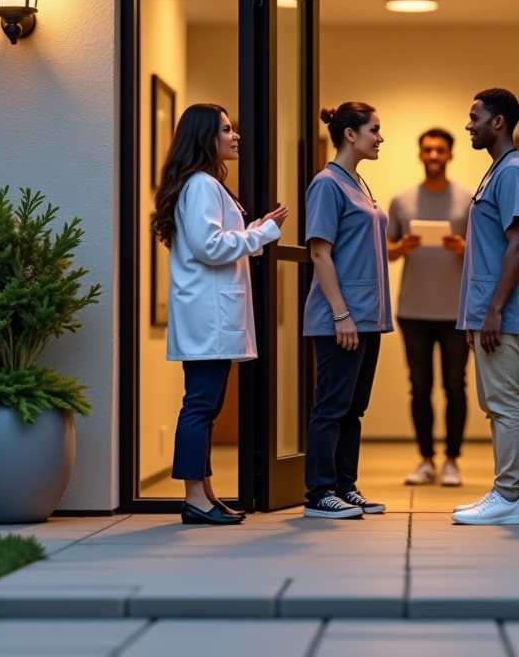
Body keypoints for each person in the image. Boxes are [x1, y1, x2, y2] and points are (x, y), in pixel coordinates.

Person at [152, 103, 288, 526]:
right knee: (200, 406)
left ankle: (205, 493)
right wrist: (262, 231)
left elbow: (210, 240)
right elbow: (210, 246)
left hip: (207, 313)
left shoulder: (201, 185)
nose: (235, 136)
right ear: (204, 137)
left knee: (204, 405)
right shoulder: (201, 186)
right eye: (226, 129)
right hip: (207, 316)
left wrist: (253, 230)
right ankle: (195, 498)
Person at [452, 88, 519, 526]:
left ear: (499, 122)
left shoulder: (513, 175)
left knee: (505, 402)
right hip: (489, 312)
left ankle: (509, 497)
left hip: (502, 312)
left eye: (475, 117)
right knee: (495, 403)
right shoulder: (497, 172)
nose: (468, 124)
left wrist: (494, 311)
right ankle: (503, 491)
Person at [302, 101, 394, 519]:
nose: (380, 138)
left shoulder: (358, 184)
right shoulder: (327, 184)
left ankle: (344, 485)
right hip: (341, 317)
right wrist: (341, 314)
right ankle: (319, 492)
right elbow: (320, 252)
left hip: (367, 316)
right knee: (332, 407)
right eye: (374, 130)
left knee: (354, 408)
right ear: (350, 135)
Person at [387, 129, 471, 488]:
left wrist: (462, 248)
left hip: (456, 311)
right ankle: (425, 460)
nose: (433, 155)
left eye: (440, 150)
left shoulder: (468, 200)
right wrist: (403, 246)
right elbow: (385, 252)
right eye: (427, 150)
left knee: (455, 386)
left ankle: (452, 460)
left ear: (450, 155)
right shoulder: (401, 201)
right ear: (420, 154)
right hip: (412, 310)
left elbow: (484, 254)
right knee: (419, 388)